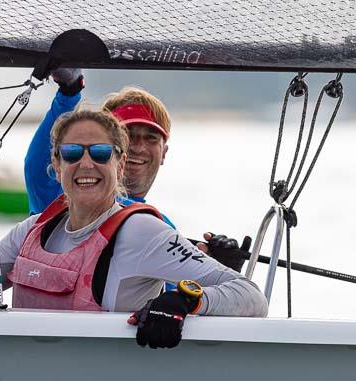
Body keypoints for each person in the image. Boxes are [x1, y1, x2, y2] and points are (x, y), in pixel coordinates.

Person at [0, 108, 267, 348]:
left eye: (99, 152)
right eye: (71, 153)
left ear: (119, 161)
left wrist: (186, 301)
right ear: (55, 162)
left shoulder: (142, 232)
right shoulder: (33, 230)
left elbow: (252, 296)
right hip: (30, 380)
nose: (85, 163)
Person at [24, 70, 250, 273]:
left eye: (151, 138)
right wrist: (69, 90)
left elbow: (180, 299)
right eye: (128, 135)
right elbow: (37, 168)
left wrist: (220, 270)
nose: (139, 147)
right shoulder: (71, 198)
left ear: (164, 153)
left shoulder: (161, 226)